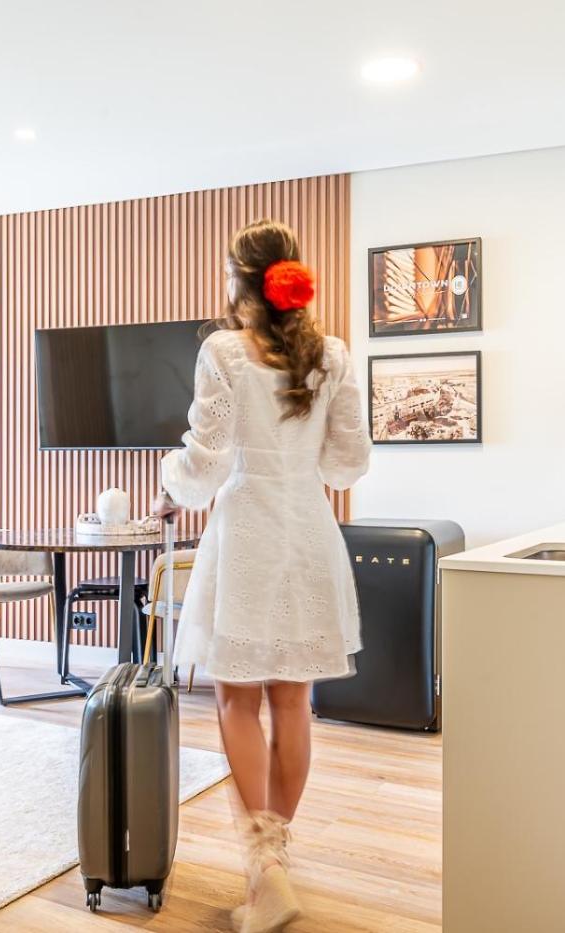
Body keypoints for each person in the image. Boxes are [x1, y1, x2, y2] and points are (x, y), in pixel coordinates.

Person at [154, 219, 370, 933]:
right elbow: (348, 464)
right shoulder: (331, 355)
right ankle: (274, 855)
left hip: (247, 530)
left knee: (237, 699)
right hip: (307, 530)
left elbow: (206, 463)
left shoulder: (224, 350)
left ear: (241, 280)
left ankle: (264, 871)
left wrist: (170, 481)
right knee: (293, 700)